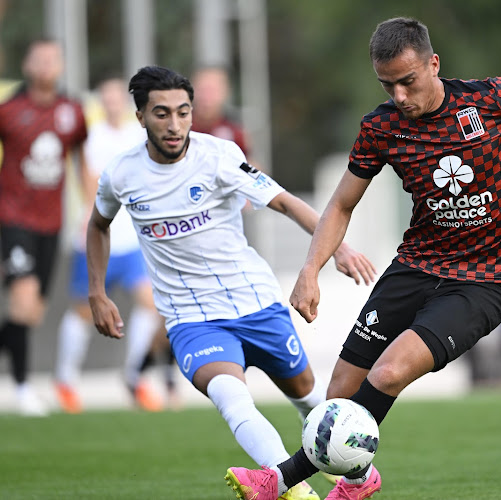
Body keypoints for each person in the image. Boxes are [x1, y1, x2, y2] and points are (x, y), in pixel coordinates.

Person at [224, 16, 501, 500]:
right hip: (415, 268)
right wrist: (309, 269)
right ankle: (359, 483)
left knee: (388, 373)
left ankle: (276, 481)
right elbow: (341, 204)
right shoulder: (382, 128)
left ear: (433, 64)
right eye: (388, 86)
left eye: (408, 82)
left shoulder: (490, 99)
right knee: (340, 391)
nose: (400, 97)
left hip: (482, 281)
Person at [87, 65, 376, 500]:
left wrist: (337, 248)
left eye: (183, 112)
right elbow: (97, 225)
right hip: (191, 319)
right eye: (161, 113)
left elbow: (284, 201)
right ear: (140, 116)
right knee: (232, 399)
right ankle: (294, 492)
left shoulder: (219, 155)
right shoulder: (121, 175)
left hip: (255, 302)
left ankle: (360, 476)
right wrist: (97, 292)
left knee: (309, 399)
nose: (174, 124)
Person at [54, 76, 169, 414]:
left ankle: (134, 376)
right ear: (100, 102)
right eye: (107, 97)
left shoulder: (138, 136)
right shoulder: (92, 137)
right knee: (83, 309)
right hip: (99, 236)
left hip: (133, 239)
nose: (113, 103)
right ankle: (65, 379)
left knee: (149, 303)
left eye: (119, 97)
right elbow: (88, 182)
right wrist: (94, 222)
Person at [0, 38, 88, 416]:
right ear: (27, 65)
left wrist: (88, 207)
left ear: (62, 65)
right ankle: (21, 388)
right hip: (13, 218)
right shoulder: (9, 111)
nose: (46, 65)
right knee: (22, 299)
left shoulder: (72, 111)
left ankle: (20, 383)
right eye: (39, 58)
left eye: (53, 58)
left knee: (32, 312)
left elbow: (81, 157)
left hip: (52, 224)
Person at [191, 66, 250, 157]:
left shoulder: (235, 131)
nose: (206, 97)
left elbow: (248, 164)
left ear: (225, 92)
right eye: (202, 90)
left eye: (212, 90)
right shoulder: (180, 127)